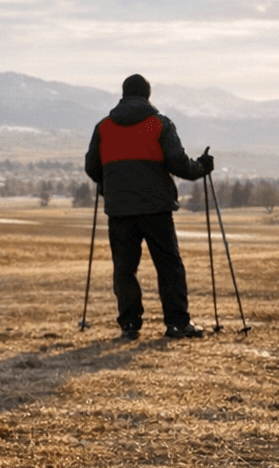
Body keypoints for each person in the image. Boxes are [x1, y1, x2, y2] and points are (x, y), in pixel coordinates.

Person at [84, 73, 214, 340]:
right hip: (157, 208)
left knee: (124, 269)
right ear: (147, 95)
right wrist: (201, 167)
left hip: (119, 210)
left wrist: (111, 182)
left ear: (123, 94)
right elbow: (179, 165)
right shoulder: (158, 124)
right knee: (169, 266)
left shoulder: (104, 127)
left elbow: (91, 167)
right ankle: (177, 324)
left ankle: (129, 325)